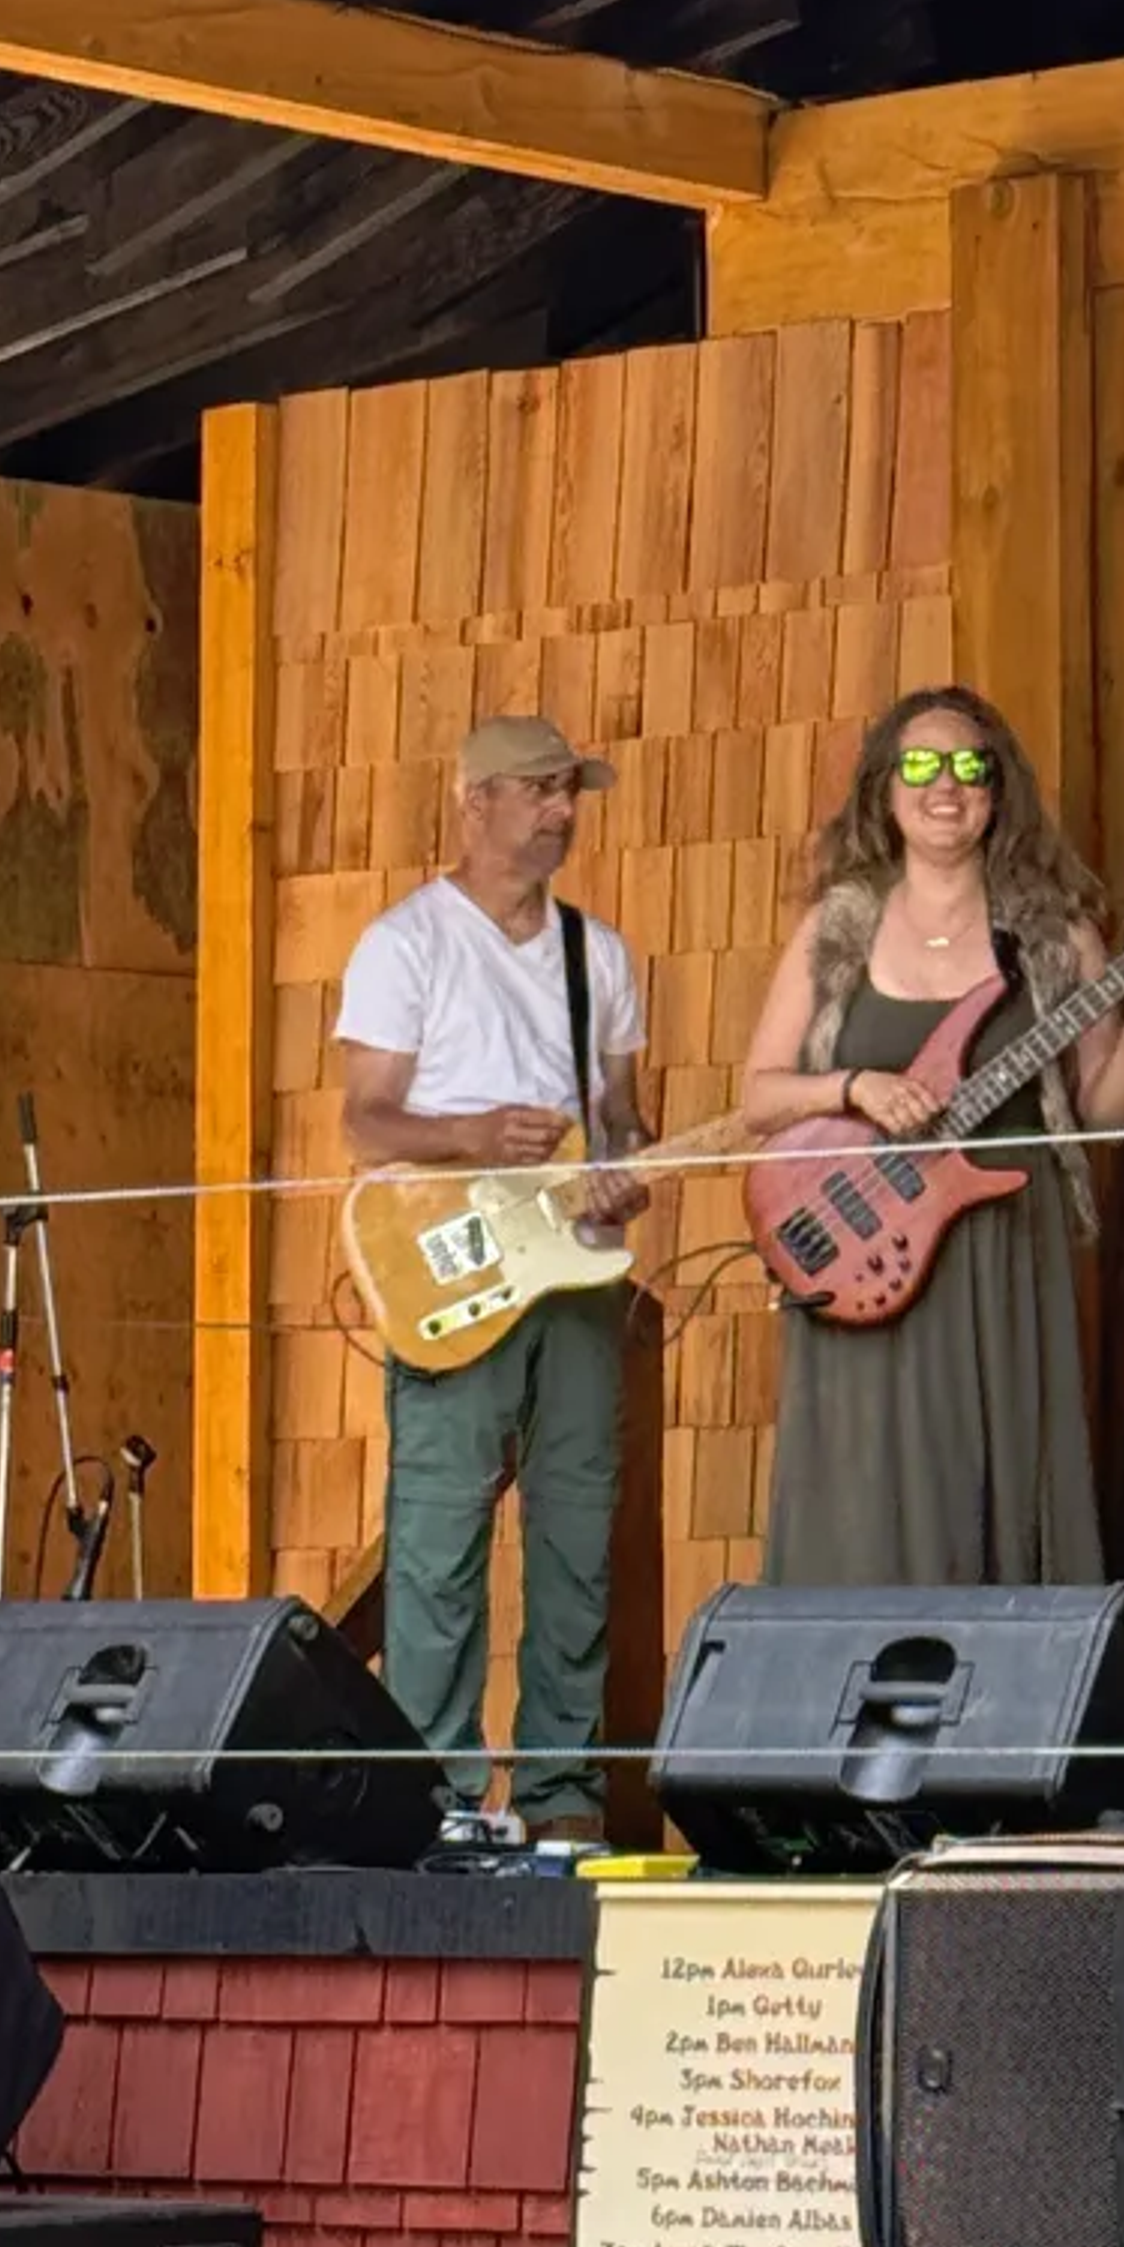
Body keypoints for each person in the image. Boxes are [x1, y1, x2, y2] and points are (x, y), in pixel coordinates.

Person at [743, 689, 1124, 1586]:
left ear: (998, 791)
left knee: (999, 1496)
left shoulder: (1054, 935)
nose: (943, 785)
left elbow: (1105, 1110)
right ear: (884, 789)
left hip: (1002, 1252)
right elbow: (758, 1097)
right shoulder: (838, 927)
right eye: (919, 765)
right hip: (862, 1248)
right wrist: (855, 1087)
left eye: (967, 767)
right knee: (864, 1504)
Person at [334, 714, 651, 1837]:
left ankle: (565, 1795)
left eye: (569, 791)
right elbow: (366, 1120)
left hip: (574, 1270)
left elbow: (622, 1119)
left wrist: (622, 1173)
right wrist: (476, 1140)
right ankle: (439, 1796)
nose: (561, 811)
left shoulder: (597, 955)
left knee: (577, 1529)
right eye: (537, 790)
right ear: (474, 802)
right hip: (450, 1256)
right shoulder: (405, 942)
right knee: (439, 1531)